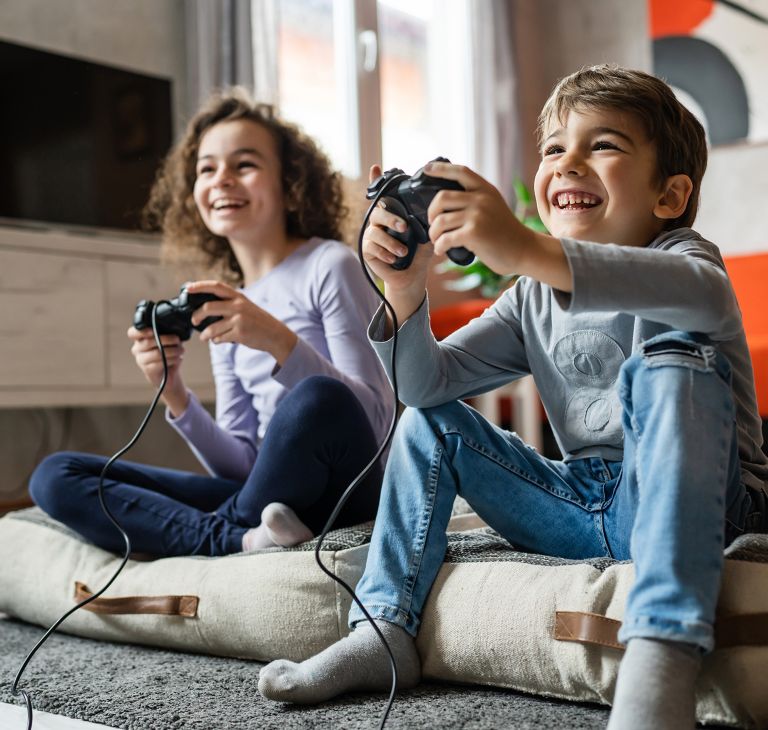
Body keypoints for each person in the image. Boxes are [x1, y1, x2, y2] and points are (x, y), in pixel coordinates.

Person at [257, 65, 768, 729]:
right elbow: (425, 386)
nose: (568, 163)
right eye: (554, 149)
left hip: (712, 506)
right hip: (584, 506)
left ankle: (663, 650)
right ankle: (383, 629)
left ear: (669, 196)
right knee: (430, 424)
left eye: (602, 145)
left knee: (671, 360)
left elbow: (696, 296)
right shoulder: (531, 296)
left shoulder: (688, 258)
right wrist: (406, 291)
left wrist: (522, 246)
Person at [29, 88, 394, 557]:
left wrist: (277, 341)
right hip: (267, 504)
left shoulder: (330, 265)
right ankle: (239, 540)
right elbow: (240, 467)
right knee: (56, 475)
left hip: (345, 491)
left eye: (244, 164)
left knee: (318, 398)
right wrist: (174, 392)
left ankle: (212, 533)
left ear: (290, 184)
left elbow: (375, 421)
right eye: (207, 169)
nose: (222, 179)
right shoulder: (228, 301)